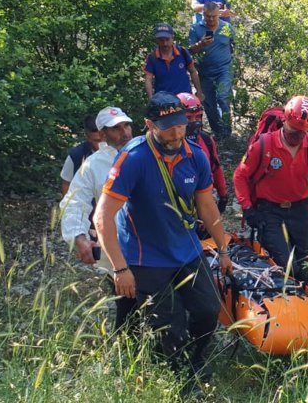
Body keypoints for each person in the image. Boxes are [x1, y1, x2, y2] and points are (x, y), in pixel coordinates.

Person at [94, 91, 232, 386]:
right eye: (168, 125)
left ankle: (196, 363)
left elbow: (207, 206)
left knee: (208, 310)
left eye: (181, 124)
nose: (177, 131)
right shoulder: (132, 158)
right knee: (172, 324)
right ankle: (179, 379)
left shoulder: (195, 156)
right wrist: (120, 268)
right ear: (149, 124)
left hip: (187, 250)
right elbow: (103, 216)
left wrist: (223, 248)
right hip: (145, 257)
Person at [233, 96, 308, 283]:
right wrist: (247, 208)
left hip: (299, 210)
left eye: (301, 132)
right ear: (284, 120)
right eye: (293, 130)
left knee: (307, 264)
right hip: (270, 211)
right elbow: (240, 176)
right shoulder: (264, 145)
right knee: (285, 265)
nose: (296, 136)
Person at [59, 106, 135, 329]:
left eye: (126, 125)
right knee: (126, 298)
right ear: (102, 134)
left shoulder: (145, 152)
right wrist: (79, 235)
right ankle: (128, 345)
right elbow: (74, 201)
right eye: (116, 128)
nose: (125, 132)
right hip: (116, 241)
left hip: (152, 239)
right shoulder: (92, 165)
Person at [188, 2, 234, 139]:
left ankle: (227, 131)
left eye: (214, 16)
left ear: (218, 14)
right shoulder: (196, 29)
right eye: (208, 16)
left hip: (224, 69)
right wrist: (201, 44)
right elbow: (190, 51)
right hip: (205, 72)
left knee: (223, 97)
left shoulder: (227, 28)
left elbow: (235, 44)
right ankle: (218, 131)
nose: (211, 19)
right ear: (203, 15)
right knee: (209, 104)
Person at [178, 92, 229, 215]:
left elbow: (216, 168)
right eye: (188, 118)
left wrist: (223, 195)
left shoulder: (206, 141)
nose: (194, 122)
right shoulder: (168, 144)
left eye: (197, 117)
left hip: (203, 200)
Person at [144, 23, 204, 101]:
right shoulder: (153, 57)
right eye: (161, 40)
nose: (165, 43)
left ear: (172, 38)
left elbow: (193, 71)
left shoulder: (182, 52)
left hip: (185, 98)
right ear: (157, 40)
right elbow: (148, 79)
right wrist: (151, 98)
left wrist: (199, 91)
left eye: (167, 39)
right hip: (164, 102)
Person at [60, 115, 102, 195]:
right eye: (96, 141)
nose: (101, 145)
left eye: (103, 140)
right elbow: (66, 183)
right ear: (87, 137)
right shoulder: (76, 155)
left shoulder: (117, 152)